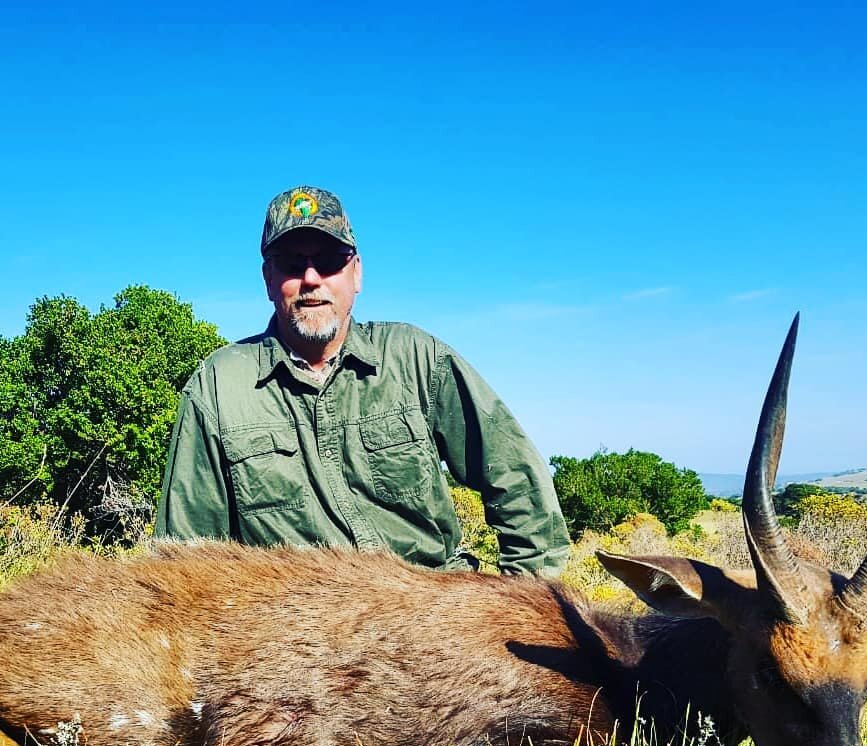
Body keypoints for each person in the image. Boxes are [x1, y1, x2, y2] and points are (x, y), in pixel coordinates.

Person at [154, 185, 570, 576]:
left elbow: (518, 481)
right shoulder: (219, 385)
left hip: (434, 615)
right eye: (292, 265)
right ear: (268, 280)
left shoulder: (415, 356)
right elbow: (184, 562)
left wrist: (521, 602)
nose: (312, 278)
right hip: (298, 636)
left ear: (356, 274)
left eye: (330, 261)